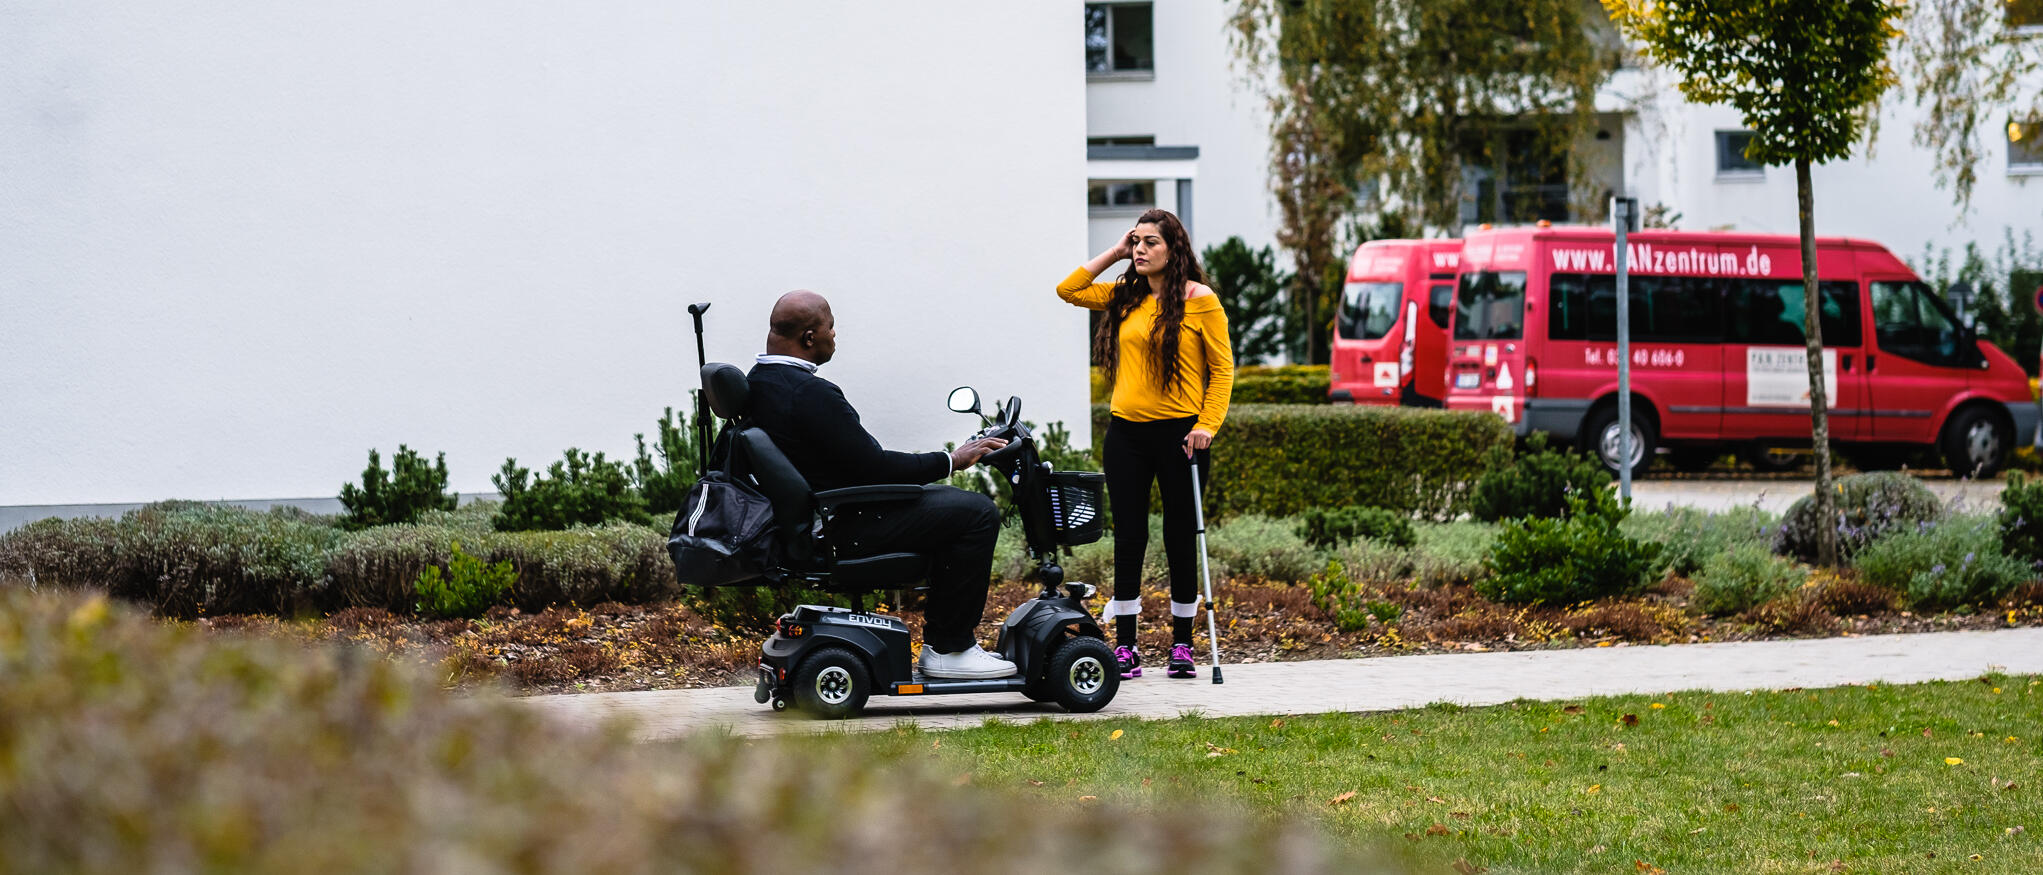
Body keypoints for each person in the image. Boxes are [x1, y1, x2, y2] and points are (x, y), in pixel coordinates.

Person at [744, 290, 1016, 679]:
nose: (835, 335)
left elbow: (858, 463)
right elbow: (874, 466)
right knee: (976, 512)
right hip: (841, 522)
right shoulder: (809, 392)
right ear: (809, 338)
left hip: (820, 515)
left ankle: (948, 642)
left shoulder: (762, 381)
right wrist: (951, 460)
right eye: (830, 327)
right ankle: (951, 649)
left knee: (946, 505)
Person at [1055, 208, 1234, 679]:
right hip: (1126, 436)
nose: (1139, 249)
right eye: (1135, 241)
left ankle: (1182, 646)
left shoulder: (1202, 301)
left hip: (1183, 438)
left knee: (1179, 539)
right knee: (1130, 538)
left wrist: (1207, 425)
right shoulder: (1125, 296)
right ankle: (1127, 647)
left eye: (1150, 242)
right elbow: (1068, 290)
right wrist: (1114, 251)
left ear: (1174, 250)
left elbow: (1222, 371)